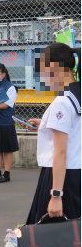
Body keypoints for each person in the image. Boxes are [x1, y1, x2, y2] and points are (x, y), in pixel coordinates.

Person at [23, 43, 81, 224]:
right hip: (75, 172)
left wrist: (56, 195)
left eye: (43, 69)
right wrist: (46, 125)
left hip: (61, 177)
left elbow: (60, 152)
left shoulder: (62, 101)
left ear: (54, 67)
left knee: (50, 234)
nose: (43, 76)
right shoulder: (76, 93)